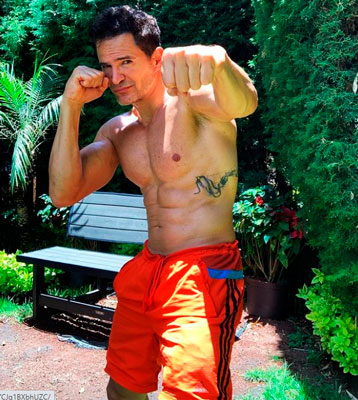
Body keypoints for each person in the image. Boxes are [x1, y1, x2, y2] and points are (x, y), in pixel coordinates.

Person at [49, 5, 258, 400]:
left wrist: (220, 62)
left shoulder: (195, 102)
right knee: (123, 388)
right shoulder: (118, 132)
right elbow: (63, 192)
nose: (115, 77)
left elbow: (244, 102)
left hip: (203, 271)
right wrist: (70, 105)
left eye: (126, 62)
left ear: (156, 58)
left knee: (192, 393)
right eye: (107, 66)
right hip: (147, 270)